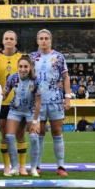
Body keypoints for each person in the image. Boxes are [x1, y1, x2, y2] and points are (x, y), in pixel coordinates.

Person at [30, 29, 71, 177]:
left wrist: (67, 97)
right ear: (37, 41)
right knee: (38, 133)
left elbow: (66, 77)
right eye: (41, 38)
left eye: (46, 38)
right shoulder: (32, 57)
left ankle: (61, 166)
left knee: (57, 132)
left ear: (51, 40)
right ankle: (37, 165)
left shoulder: (59, 57)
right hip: (37, 102)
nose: (44, 41)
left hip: (55, 100)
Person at [0, 31, 27, 176]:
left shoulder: (22, 58)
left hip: (19, 102)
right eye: (6, 38)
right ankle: (7, 167)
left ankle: (22, 167)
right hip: (2, 102)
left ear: (16, 41)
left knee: (20, 134)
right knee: (4, 135)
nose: (9, 41)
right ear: (2, 41)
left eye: (12, 38)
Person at [3, 55, 41, 177]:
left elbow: (38, 102)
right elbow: (4, 94)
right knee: (9, 137)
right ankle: (15, 167)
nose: (23, 69)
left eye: (25, 66)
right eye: (20, 66)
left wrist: (35, 121)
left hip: (31, 111)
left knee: (34, 137)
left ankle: (34, 168)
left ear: (30, 68)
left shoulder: (36, 80)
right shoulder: (12, 78)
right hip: (15, 110)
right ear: (17, 67)